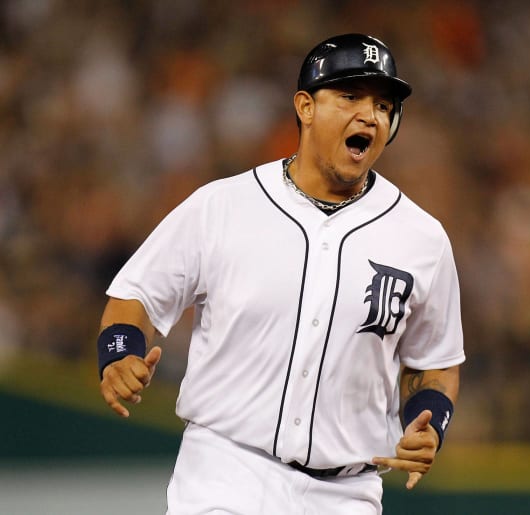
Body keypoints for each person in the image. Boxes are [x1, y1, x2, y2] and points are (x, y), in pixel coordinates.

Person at [97, 33, 465, 514]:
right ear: (306, 106)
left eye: (382, 104)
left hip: (347, 492)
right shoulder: (223, 206)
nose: (369, 115)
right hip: (225, 472)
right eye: (350, 96)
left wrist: (429, 421)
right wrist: (120, 352)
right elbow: (135, 297)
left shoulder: (422, 238)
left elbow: (435, 360)